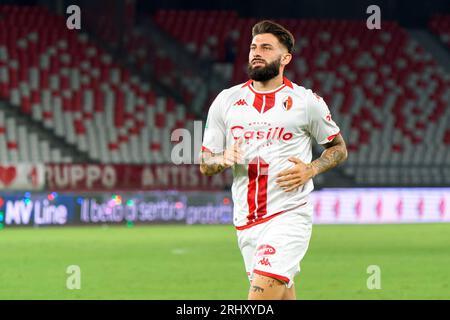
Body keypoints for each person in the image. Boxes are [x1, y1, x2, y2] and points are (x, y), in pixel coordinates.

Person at [199, 20, 348, 300]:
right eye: (254, 47)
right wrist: (223, 158)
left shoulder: (306, 102)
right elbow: (205, 164)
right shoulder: (226, 100)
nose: (257, 52)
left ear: (285, 58)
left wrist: (312, 169)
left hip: (288, 216)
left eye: (266, 47)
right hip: (246, 221)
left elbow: (338, 148)